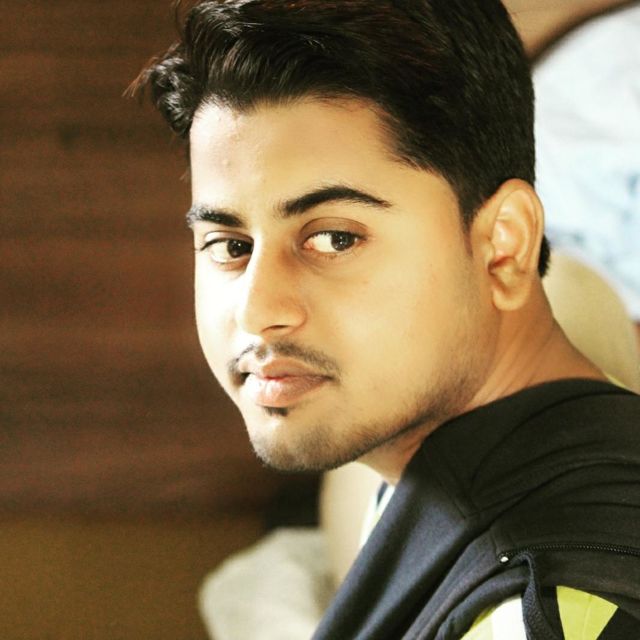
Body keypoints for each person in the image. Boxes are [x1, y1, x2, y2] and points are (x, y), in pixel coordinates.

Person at [135, 1, 640, 637]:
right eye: (230, 246)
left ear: (504, 246)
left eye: (335, 239)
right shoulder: (446, 464)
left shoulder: (547, 610)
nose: (257, 311)